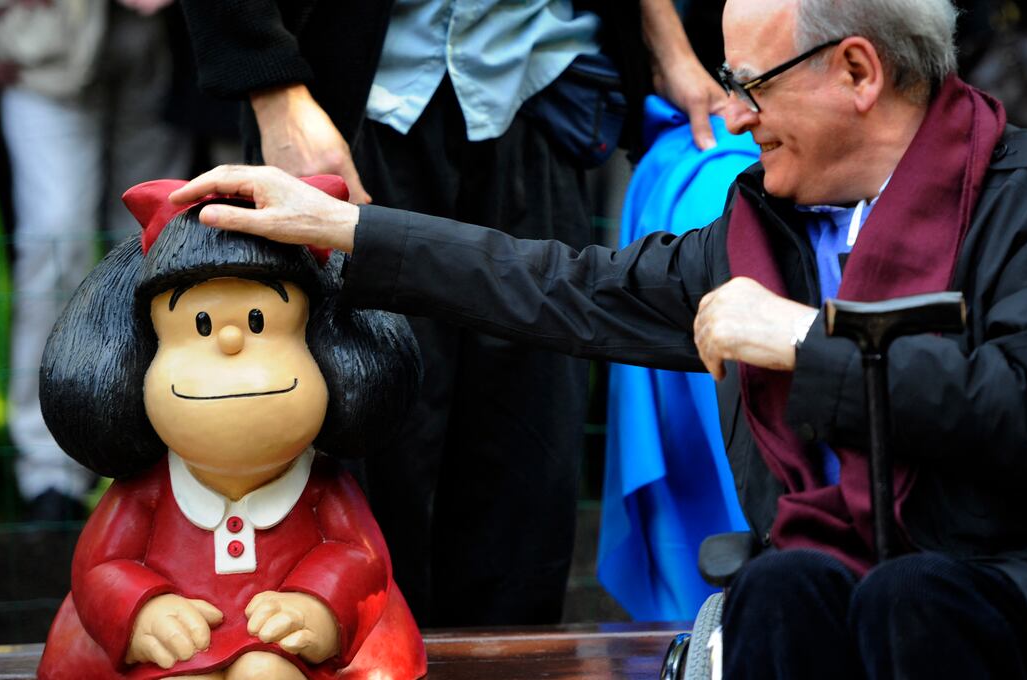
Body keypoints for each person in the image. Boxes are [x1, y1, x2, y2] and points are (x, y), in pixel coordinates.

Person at [171, 0, 1027, 676]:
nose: (732, 111)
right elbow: (558, 283)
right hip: (837, 593)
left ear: (857, 70)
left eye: (752, 81)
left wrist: (809, 340)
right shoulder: (756, 226)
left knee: (908, 595)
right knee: (782, 584)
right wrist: (345, 230)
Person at [176, 0, 725, 627]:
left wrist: (668, 46)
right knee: (359, 460)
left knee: (528, 468)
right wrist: (274, 89)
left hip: (536, 93)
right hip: (341, 119)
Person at [37, 178, 425, 679]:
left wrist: (319, 606)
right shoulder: (148, 492)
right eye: (200, 324)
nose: (229, 340)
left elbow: (359, 557)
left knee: (267, 672)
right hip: (179, 648)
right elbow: (100, 568)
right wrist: (141, 610)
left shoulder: (320, 487)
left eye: (259, 320)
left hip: (290, 646)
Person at [0, 0, 192, 520]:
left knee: (154, 242)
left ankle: (156, 449)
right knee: (55, 242)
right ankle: (49, 470)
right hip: (42, 46)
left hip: (169, 47)